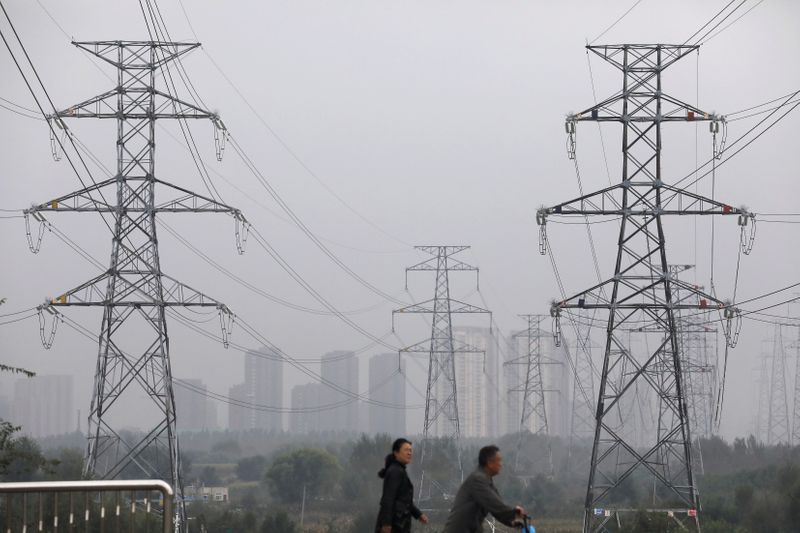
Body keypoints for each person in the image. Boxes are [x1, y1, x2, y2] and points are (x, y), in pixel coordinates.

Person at [442, 445, 525, 533]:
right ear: (489, 463)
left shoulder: (486, 480)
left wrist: (512, 522)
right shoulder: (477, 480)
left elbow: (497, 506)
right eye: (499, 460)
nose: (501, 464)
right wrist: (513, 513)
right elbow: (493, 503)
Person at [375, 438, 429, 533]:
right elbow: (388, 499)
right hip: (394, 525)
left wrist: (418, 514)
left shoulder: (399, 470)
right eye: (406, 450)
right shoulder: (395, 471)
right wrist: (386, 524)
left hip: (400, 524)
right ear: (396, 453)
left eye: (410, 450)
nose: (409, 453)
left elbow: (404, 500)